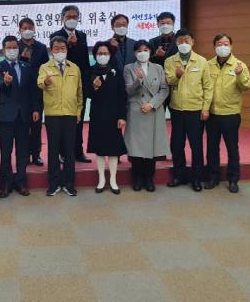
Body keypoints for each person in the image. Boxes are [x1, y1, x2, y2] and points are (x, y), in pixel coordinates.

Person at [164, 29, 214, 192]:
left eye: (187, 40)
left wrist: (205, 108)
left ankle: (196, 178)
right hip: (177, 109)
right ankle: (179, 176)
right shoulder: (170, 61)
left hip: (195, 110)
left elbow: (208, 87)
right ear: (176, 43)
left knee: (196, 145)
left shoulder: (201, 61)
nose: (183, 43)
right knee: (176, 144)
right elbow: (168, 81)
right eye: (180, 41)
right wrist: (177, 76)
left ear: (193, 42)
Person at [0, 36, 41, 198]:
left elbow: (33, 90)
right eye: (9, 48)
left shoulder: (26, 66)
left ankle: (21, 182)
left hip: (24, 116)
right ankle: (5, 184)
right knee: (6, 152)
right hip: (6, 116)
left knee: (22, 152)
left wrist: (36, 109)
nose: (12, 50)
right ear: (3, 49)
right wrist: (5, 82)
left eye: (15, 47)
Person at [206, 33, 250, 193]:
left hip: (230, 114)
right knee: (212, 148)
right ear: (214, 47)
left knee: (232, 148)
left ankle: (233, 179)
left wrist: (239, 75)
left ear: (231, 46)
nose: (222, 47)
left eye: (226, 44)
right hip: (212, 114)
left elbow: (247, 86)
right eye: (219, 44)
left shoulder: (239, 65)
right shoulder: (208, 65)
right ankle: (213, 177)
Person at [38, 36, 83, 197]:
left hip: (70, 114)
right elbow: (39, 82)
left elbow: (79, 92)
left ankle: (69, 183)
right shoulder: (45, 67)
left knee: (69, 150)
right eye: (56, 48)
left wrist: (78, 112)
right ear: (51, 50)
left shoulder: (74, 68)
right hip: (53, 114)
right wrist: (46, 82)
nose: (60, 51)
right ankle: (54, 183)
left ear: (67, 49)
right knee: (53, 150)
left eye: (62, 48)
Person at [124, 40, 170, 192]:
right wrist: (138, 80)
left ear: (150, 52)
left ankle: (149, 178)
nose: (142, 53)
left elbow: (164, 89)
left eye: (145, 50)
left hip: (153, 110)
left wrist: (152, 104)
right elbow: (129, 90)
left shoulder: (158, 68)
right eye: (139, 50)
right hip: (136, 110)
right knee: (136, 147)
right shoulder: (128, 68)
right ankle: (137, 177)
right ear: (134, 53)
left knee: (152, 146)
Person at [50, 5, 92, 163]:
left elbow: (84, 61)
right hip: (63, 84)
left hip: (79, 84)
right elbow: (58, 58)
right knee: (64, 120)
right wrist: (68, 44)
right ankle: (63, 152)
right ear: (62, 18)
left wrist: (87, 84)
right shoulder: (56, 35)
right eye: (69, 17)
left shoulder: (82, 35)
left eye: (75, 17)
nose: (72, 19)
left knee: (78, 119)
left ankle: (78, 152)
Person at [87, 41, 127, 194]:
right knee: (100, 149)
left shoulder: (116, 71)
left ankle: (113, 180)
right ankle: (101, 179)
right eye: (99, 53)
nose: (102, 56)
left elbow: (122, 96)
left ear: (110, 55)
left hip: (114, 116)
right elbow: (87, 93)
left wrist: (122, 116)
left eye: (105, 53)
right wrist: (95, 87)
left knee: (113, 149)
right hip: (97, 115)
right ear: (95, 55)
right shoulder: (90, 71)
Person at [18, 17, 50, 166]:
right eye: (24, 28)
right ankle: (24, 155)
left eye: (30, 28)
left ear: (35, 29)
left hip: (37, 91)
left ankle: (36, 154)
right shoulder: (15, 46)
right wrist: (22, 58)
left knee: (36, 125)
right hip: (21, 92)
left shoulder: (41, 47)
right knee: (23, 126)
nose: (27, 31)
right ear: (20, 30)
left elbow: (46, 68)